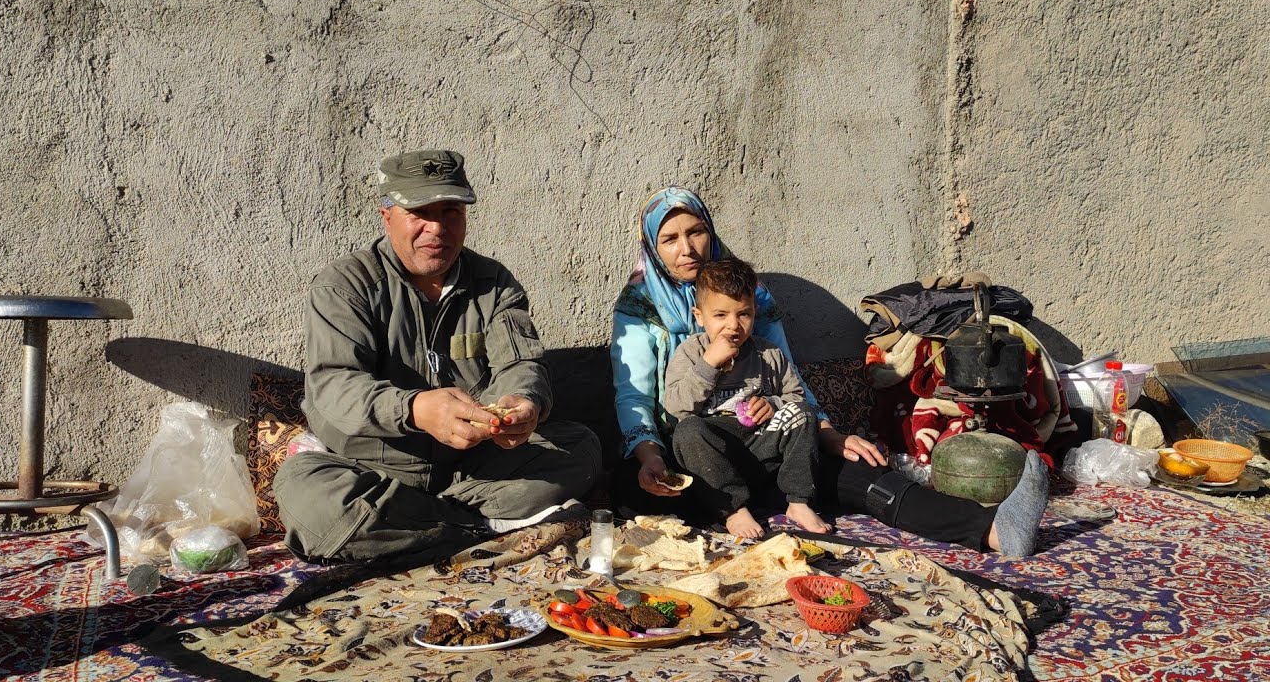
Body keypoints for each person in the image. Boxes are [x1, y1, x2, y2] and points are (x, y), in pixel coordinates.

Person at [610, 186, 1049, 555]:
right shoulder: (640, 306)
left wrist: (829, 434)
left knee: (866, 477)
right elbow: (635, 396)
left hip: (768, 448)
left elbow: (788, 380)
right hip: (691, 456)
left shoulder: (752, 295)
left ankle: (993, 530)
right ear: (653, 246)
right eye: (670, 238)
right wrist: (650, 457)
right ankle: (728, 507)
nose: (687, 248)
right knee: (631, 491)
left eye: (696, 232)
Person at [275, 149, 601, 565]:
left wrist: (523, 403)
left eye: (451, 213)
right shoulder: (344, 286)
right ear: (387, 216)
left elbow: (520, 364)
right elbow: (335, 385)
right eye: (420, 213)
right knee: (312, 502)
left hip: (472, 467)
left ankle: (421, 526)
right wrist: (414, 409)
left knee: (581, 449)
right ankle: (480, 525)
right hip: (372, 469)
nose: (437, 228)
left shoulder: (494, 283)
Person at [664, 257, 832, 538]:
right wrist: (709, 364)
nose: (733, 325)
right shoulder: (691, 353)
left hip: (760, 446)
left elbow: (796, 396)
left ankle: (799, 501)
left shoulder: (768, 354)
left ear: (755, 313)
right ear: (699, 316)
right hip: (717, 457)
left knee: (803, 413)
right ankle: (733, 508)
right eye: (720, 315)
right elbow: (676, 407)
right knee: (688, 431)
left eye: (744, 314)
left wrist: (773, 404)